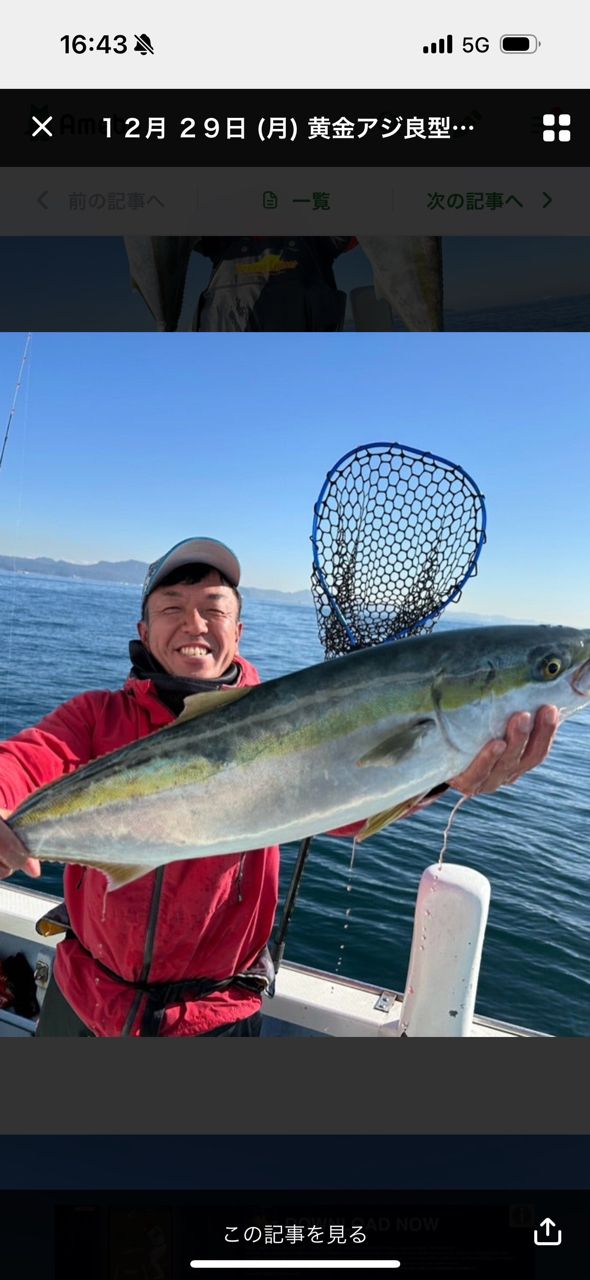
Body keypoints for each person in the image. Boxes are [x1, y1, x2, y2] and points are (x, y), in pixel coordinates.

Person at [0, 537, 559, 1036]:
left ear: (238, 631)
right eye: (172, 609)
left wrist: (442, 774)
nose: (193, 624)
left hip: (211, 1021)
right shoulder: (96, 718)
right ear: (144, 633)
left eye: (212, 609)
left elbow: (348, 806)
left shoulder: (293, 723)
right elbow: (29, 760)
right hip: (83, 997)